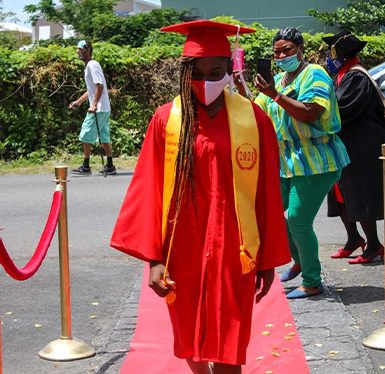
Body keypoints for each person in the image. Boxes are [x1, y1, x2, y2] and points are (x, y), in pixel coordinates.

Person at [110, 20, 291, 374]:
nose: (206, 82)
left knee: (228, 342)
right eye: (197, 73)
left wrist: (267, 259)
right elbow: (148, 191)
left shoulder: (253, 120)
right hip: (183, 250)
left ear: (230, 70)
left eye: (216, 72)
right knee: (190, 338)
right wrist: (153, 260)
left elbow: (267, 193)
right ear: (184, 71)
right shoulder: (166, 120)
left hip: (235, 251)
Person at [254, 27, 350, 299]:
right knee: (268, 211)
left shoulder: (315, 74)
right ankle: (299, 258)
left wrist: (275, 95)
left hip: (318, 160)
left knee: (297, 220)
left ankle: (312, 280)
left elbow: (310, 113)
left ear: (300, 48)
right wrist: (242, 89)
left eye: (286, 50)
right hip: (287, 162)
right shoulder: (280, 80)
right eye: (277, 52)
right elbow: (258, 112)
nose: (282, 55)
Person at [322, 32, 385, 264]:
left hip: (362, 146)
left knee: (358, 193)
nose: (329, 58)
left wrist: (316, 109)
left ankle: (374, 244)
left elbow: (342, 109)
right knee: (339, 193)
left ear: (343, 55)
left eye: (332, 53)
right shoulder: (343, 75)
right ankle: (353, 239)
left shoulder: (356, 77)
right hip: (347, 145)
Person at [69, 40, 116, 175]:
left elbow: (99, 85)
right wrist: (79, 101)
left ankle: (86, 166)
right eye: (77, 49)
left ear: (88, 50)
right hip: (104, 108)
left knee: (85, 134)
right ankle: (110, 166)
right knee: (104, 136)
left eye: (80, 49)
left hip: (99, 108)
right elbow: (92, 89)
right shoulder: (89, 66)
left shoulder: (92, 65)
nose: (78, 51)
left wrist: (94, 105)